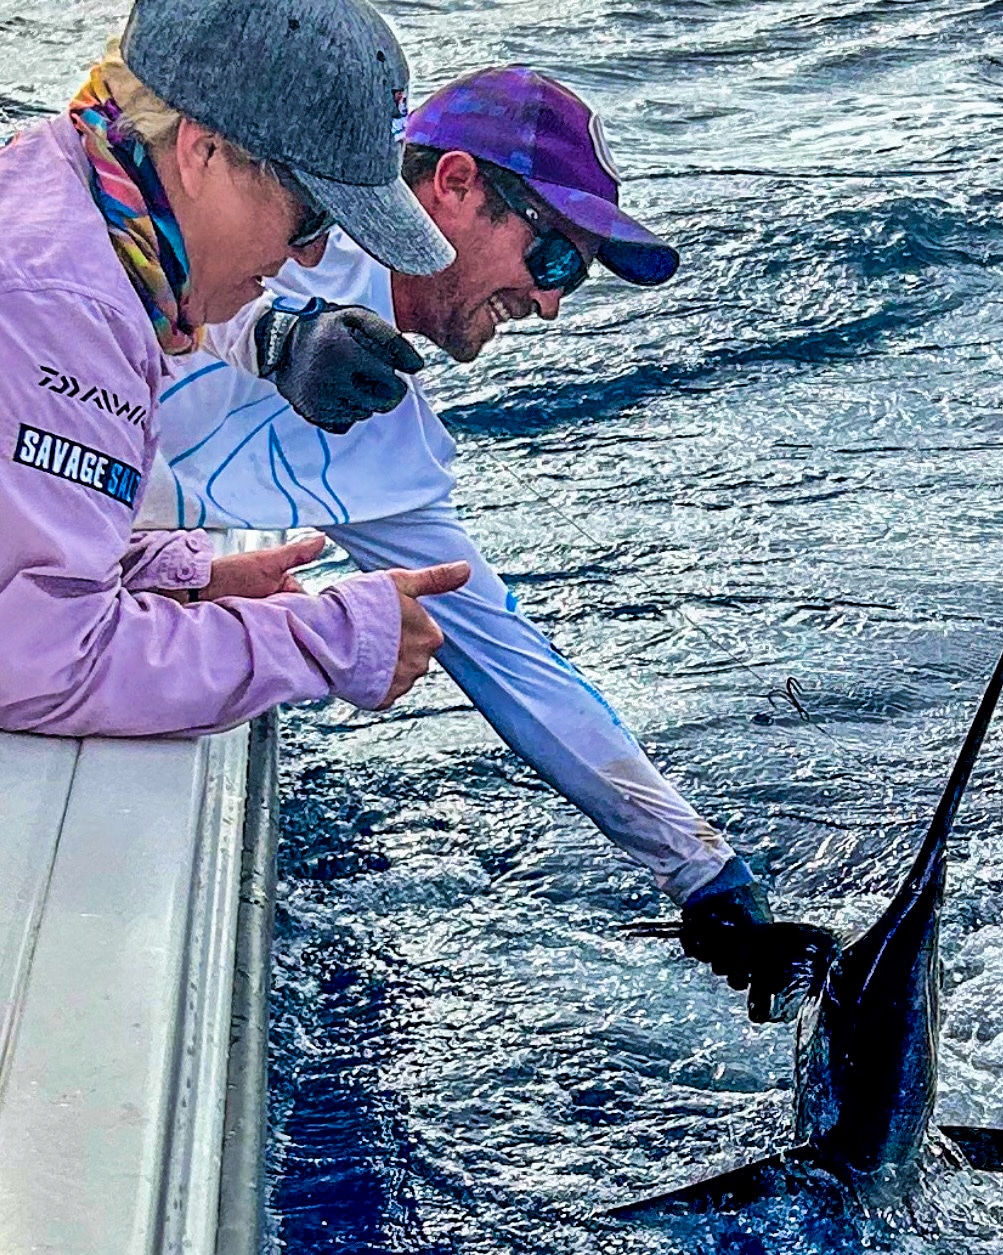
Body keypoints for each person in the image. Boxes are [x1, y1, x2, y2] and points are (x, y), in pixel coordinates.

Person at [149, 67, 783, 1020]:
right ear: (453, 184)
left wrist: (701, 873)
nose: (552, 302)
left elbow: (513, 661)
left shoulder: (383, 431)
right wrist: (276, 337)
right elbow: (122, 244)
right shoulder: (287, 213)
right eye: (553, 259)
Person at [0, 0, 473, 740]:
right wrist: (326, 639)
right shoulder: (65, 312)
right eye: (312, 215)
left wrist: (170, 574)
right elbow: (41, 664)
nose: (312, 257)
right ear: (202, 153)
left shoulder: (60, 198)